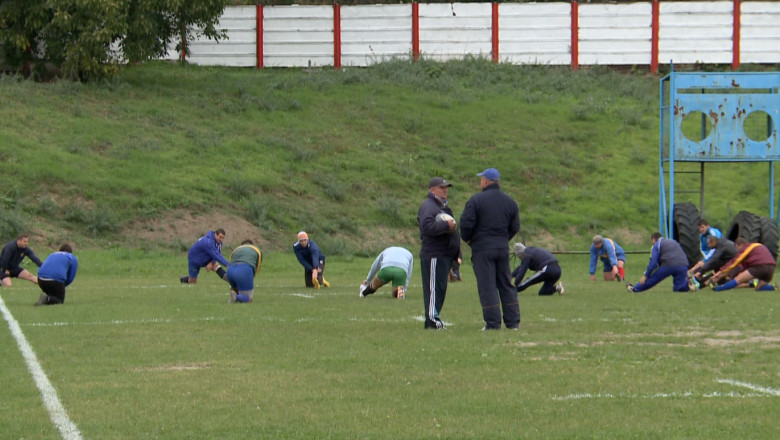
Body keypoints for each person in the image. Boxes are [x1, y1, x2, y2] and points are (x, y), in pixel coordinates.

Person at [459, 168, 521, 330]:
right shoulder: (510, 201)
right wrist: (503, 239)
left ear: (485, 181)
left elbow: (465, 224)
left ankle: (493, 323)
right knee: (506, 284)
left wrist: (470, 240)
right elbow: (515, 226)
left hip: (482, 248)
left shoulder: (476, 201)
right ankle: (513, 322)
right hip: (502, 247)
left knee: (487, 285)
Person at [417, 177, 461, 330]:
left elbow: (454, 232)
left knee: (440, 289)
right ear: (432, 190)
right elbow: (427, 227)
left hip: (444, 255)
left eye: (446, 187)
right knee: (433, 289)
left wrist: (457, 256)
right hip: (434, 254)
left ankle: (434, 318)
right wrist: (445, 225)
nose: (445, 190)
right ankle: (432, 321)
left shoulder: (443, 208)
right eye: (441, 187)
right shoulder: (429, 206)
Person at [627, 232, 691, 293]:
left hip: (669, 264)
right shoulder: (673, 241)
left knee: (653, 279)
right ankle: (690, 286)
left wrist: (646, 275)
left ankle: (635, 289)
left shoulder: (657, 244)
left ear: (653, 239)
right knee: (679, 289)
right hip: (683, 264)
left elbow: (653, 263)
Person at [710, 238, 777, 292]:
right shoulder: (756, 246)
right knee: (758, 288)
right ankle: (774, 287)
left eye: (737, 248)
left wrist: (720, 273)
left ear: (740, 245)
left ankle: (717, 289)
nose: (737, 251)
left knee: (738, 279)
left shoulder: (746, 248)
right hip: (771, 268)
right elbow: (742, 266)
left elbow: (734, 262)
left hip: (760, 266)